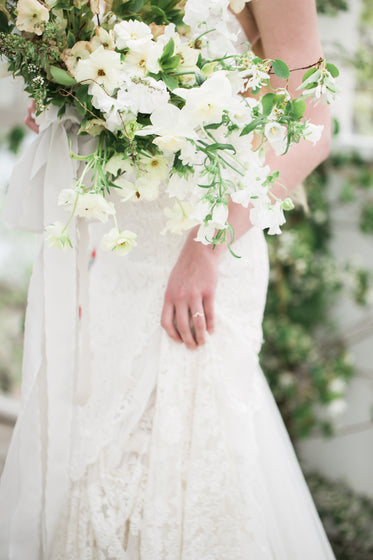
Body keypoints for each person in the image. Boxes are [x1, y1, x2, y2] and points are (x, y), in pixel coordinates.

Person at [0, 0, 336, 558]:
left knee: (192, 447)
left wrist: (208, 244)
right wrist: (72, 101)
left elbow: (314, 126)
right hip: (113, 247)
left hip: (208, 245)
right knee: (99, 453)